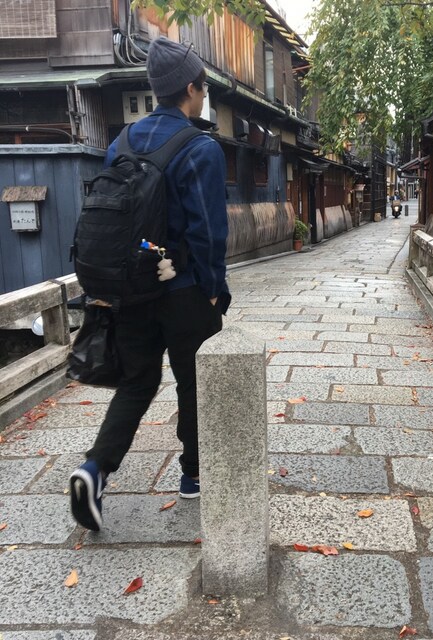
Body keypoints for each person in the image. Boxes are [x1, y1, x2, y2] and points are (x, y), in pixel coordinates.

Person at [69, 37, 231, 532]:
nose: (204, 94)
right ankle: (193, 475)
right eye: (203, 86)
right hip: (184, 291)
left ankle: (95, 469)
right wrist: (213, 289)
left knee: (138, 381)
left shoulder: (120, 144)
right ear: (191, 88)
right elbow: (208, 232)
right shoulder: (200, 148)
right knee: (194, 383)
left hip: (133, 291)